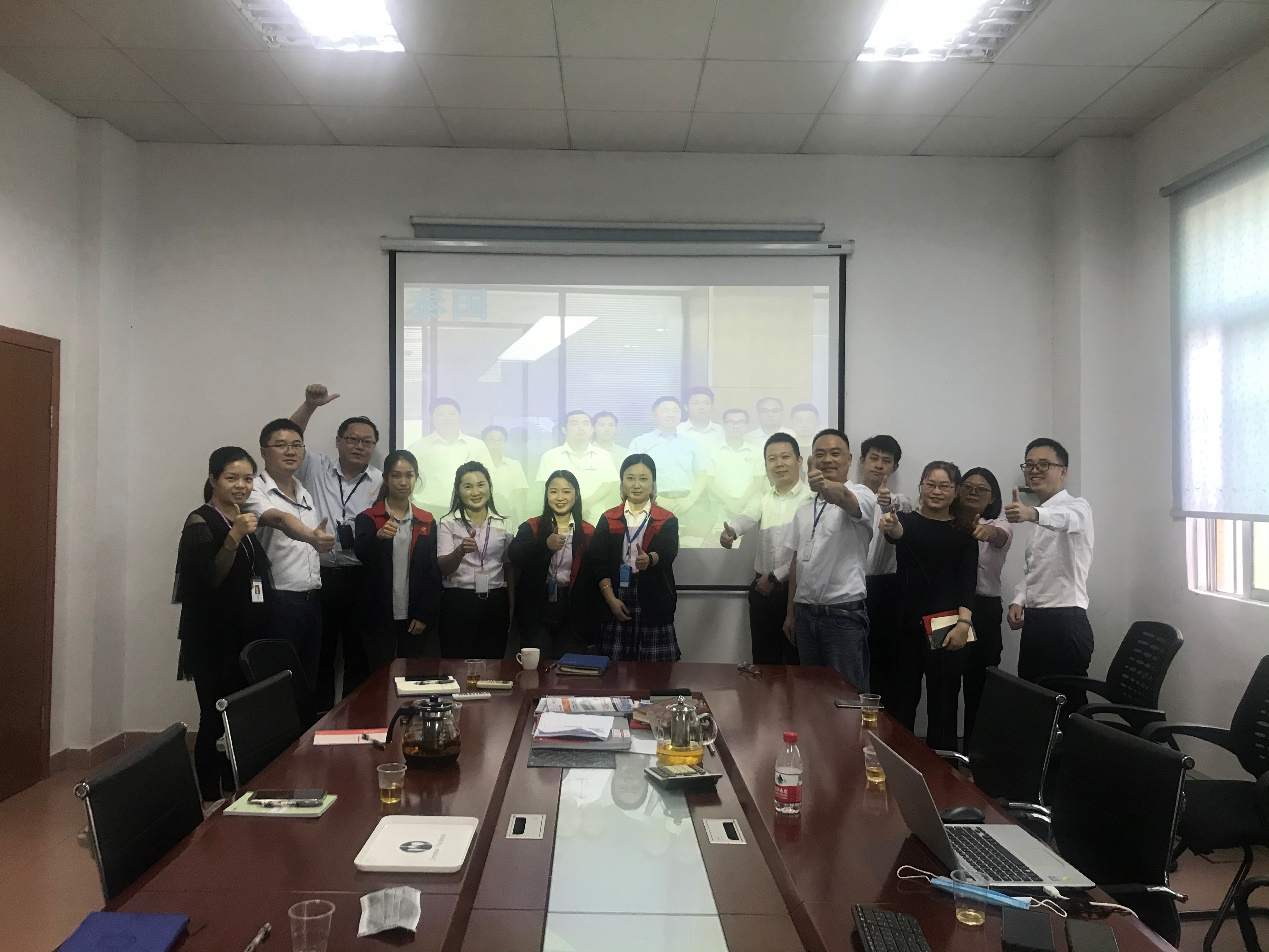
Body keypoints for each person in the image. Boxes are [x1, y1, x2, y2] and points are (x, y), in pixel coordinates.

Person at [176, 447, 271, 802]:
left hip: (245, 633)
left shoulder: (242, 516)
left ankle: (236, 788)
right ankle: (208, 795)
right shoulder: (200, 521)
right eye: (232, 478)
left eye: (247, 479)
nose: (241, 485)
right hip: (213, 638)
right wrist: (234, 536)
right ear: (213, 479)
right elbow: (209, 579)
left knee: (241, 714)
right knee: (214, 714)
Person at [288, 384, 382, 706]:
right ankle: (319, 718)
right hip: (320, 575)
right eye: (352, 439)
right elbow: (289, 439)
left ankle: (355, 716)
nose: (359, 446)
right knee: (320, 653)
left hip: (360, 577)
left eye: (367, 442)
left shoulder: (380, 481)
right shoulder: (315, 467)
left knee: (358, 655)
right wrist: (309, 406)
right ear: (338, 441)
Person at [878, 461, 977, 749]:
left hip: (948, 627)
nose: (936, 491)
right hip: (905, 624)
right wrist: (890, 522)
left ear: (955, 491)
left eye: (944, 486)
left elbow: (967, 582)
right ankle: (899, 763)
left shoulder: (964, 532)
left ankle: (943, 770)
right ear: (921, 487)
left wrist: (964, 624)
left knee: (944, 705)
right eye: (930, 484)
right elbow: (896, 533)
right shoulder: (905, 521)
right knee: (901, 701)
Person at [243, 419, 336, 688]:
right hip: (277, 600)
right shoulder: (254, 489)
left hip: (311, 599)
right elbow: (279, 519)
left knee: (308, 678)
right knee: (279, 681)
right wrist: (312, 537)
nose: (290, 451)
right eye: (281, 445)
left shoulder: (303, 491)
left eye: (297, 445)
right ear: (263, 451)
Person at [782, 430, 876, 689]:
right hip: (805, 616)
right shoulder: (804, 508)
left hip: (842, 617)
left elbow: (844, 497)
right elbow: (796, 563)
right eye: (820, 454)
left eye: (835, 453)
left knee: (847, 697)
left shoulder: (863, 494)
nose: (827, 460)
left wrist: (822, 484)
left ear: (849, 459)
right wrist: (790, 612)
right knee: (811, 694)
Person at [1006, 438, 1095, 710]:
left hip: (1066, 622)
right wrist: (1019, 599)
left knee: (1067, 708)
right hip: (1036, 621)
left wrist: (1032, 513)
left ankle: (1081, 742)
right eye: (1029, 465)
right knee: (1034, 705)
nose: (1035, 470)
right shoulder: (1039, 515)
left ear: (1063, 472)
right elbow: (1034, 567)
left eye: (1044, 464)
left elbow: (1067, 520)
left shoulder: (1077, 507)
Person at [720, 433, 812, 665]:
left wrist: (775, 576)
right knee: (763, 662)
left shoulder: (812, 499)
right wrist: (732, 531)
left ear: (799, 461)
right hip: (762, 591)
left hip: (796, 593)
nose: (779, 464)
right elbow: (747, 516)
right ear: (766, 465)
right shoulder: (763, 498)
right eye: (772, 459)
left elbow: (805, 552)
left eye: (785, 457)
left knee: (796, 665)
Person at [352, 450, 441, 671]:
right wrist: (379, 538)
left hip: (414, 616)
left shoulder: (426, 520)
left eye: (409, 475)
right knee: (379, 676)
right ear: (385, 478)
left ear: (416, 478)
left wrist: (423, 614)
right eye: (396, 475)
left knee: (412, 676)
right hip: (377, 615)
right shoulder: (368, 518)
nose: (403, 482)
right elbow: (362, 555)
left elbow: (433, 572)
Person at [587, 454, 681, 661]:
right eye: (630, 478)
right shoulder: (609, 518)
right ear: (622, 482)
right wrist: (611, 599)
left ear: (653, 484)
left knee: (655, 673)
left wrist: (650, 559)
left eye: (643, 479)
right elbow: (598, 561)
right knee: (615, 671)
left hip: (653, 600)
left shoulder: (666, 518)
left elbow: (668, 551)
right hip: (616, 595)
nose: (636, 485)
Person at [508, 470, 596, 659]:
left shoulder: (588, 532)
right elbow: (514, 554)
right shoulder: (531, 526)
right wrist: (544, 545)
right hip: (537, 610)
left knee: (568, 670)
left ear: (576, 495)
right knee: (538, 669)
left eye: (566, 491)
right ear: (547, 495)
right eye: (553, 491)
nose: (560, 497)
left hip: (573, 612)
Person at [957, 467, 1012, 751]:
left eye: (981, 489)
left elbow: (999, 535)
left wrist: (987, 531)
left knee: (979, 684)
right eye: (968, 487)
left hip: (984, 611)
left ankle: (974, 755)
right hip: (951, 610)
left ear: (992, 497)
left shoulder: (1000, 523)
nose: (973, 492)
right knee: (946, 680)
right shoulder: (948, 523)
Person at [435, 461, 514, 659]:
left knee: (493, 665)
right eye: (468, 486)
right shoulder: (448, 522)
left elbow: (509, 568)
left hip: (495, 601)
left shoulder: (504, 524)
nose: (475, 492)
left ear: (489, 487)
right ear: (458, 491)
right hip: (458, 601)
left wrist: (511, 606)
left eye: (481, 485)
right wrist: (460, 551)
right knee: (456, 665)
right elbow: (444, 568)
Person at [857, 435, 913, 709]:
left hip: (884, 590)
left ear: (895, 467)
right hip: (851, 588)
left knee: (882, 664)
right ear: (862, 461)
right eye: (874, 458)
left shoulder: (901, 502)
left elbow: (900, 511)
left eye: (886, 461)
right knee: (853, 663)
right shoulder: (849, 496)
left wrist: (887, 504)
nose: (879, 465)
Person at [627, 396, 708, 533]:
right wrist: (655, 498)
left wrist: (690, 499)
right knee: (654, 544)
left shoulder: (691, 443)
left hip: (688, 504)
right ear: (654, 415)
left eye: (675, 411)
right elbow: (631, 476)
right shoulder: (640, 442)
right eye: (665, 410)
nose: (671, 414)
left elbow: (701, 474)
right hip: (653, 504)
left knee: (693, 543)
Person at [407, 398, 492, 516]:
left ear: (459, 416)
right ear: (431, 418)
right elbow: (408, 478)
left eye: (452, 414)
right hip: (426, 508)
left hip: (467, 508)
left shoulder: (476, 445)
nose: (447, 418)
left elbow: (489, 477)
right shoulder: (417, 447)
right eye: (440, 414)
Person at [536, 410, 619, 524]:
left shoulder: (603, 455)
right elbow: (544, 486)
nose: (581, 428)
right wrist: (571, 506)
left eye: (585, 423)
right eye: (575, 423)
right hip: (560, 516)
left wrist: (586, 504)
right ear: (564, 429)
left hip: (595, 517)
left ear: (592, 429)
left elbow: (610, 484)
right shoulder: (551, 456)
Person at [708, 408, 765, 530]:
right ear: (723, 425)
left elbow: (758, 482)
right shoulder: (711, 450)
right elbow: (709, 482)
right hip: (718, 503)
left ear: (746, 425)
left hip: (749, 504)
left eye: (740, 422)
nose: (736, 426)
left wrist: (739, 503)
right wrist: (729, 502)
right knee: (716, 536)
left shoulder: (757, 452)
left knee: (749, 537)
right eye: (731, 422)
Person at [482, 425, 528, 526]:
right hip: (481, 513)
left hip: (508, 513)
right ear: (483, 442)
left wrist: (505, 507)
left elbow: (520, 489)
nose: (496, 443)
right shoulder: (477, 465)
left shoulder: (514, 464)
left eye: (500, 440)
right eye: (491, 440)